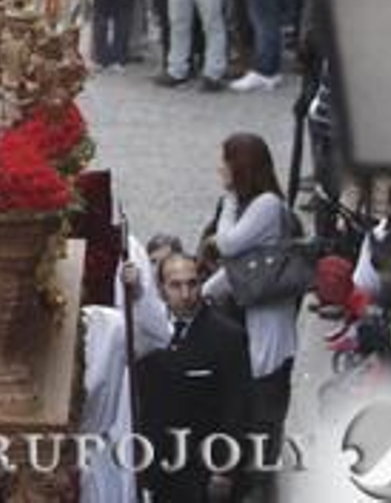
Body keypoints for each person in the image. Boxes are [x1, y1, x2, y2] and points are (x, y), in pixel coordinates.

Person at [203, 133, 300, 499]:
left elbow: (228, 245)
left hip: (268, 336)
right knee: (245, 417)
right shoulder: (254, 207)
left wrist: (227, 201)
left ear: (239, 167)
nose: (219, 168)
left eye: (224, 161)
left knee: (263, 420)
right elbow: (239, 270)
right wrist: (202, 294)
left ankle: (261, 488)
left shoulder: (266, 206)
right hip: (248, 331)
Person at [135, 253, 251, 503]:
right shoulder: (149, 335)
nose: (186, 294)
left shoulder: (227, 336)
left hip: (202, 467)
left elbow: (237, 407)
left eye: (192, 283)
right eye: (176, 285)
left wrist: (224, 469)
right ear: (161, 289)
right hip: (157, 466)